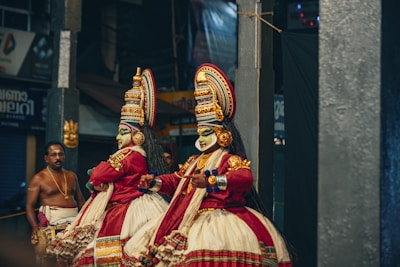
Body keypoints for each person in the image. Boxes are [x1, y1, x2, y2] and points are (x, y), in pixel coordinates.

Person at [122, 63, 293, 267]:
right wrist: (154, 181)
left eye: (206, 133)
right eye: (199, 133)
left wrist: (211, 181)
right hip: (189, 217)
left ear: (222, 134)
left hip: (221, 219)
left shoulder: (229, 160)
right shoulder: (195, 161)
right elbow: (177, 181)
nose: (201, 138)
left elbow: (244, 178)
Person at [46, 67, 170, 266]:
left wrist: (97, 177)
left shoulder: (131, 154)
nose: (117, 137)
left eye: (122, 132)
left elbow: (101, 172)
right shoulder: (130, 154)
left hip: (126, 209)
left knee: (111, 254)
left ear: (136, 135)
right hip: (121, 206)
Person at [25, 141, 86, 265]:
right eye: (53, 155)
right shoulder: (39, 178)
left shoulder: (71, 176)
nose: (58, 158)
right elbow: (29, 206)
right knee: (55, 259)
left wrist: (89, 218)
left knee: (78, 257)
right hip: (52, 221)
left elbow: (80, 201)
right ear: (46, 158)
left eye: (61, 154)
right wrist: (35, 228)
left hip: (74, 221)